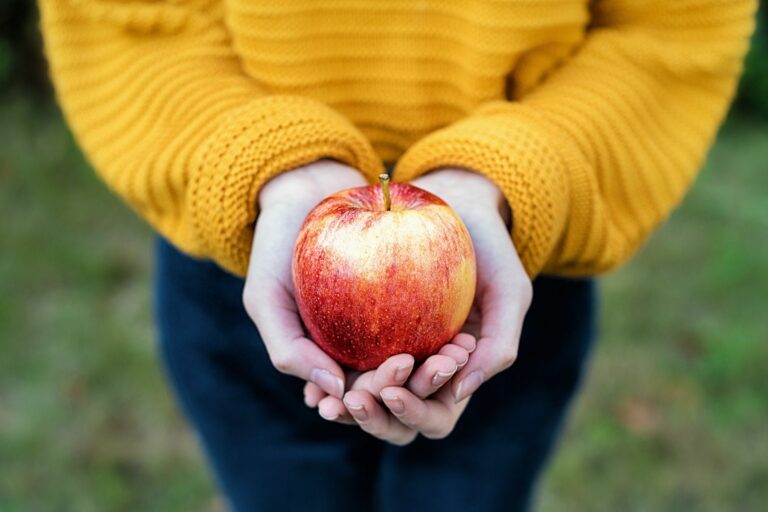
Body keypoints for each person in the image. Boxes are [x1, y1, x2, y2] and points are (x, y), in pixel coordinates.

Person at [39, 0, 755, 510]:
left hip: (500, 268)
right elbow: (120, 21)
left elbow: (672, 34)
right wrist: (269, 164)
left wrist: (506, 175)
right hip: (255, 253)